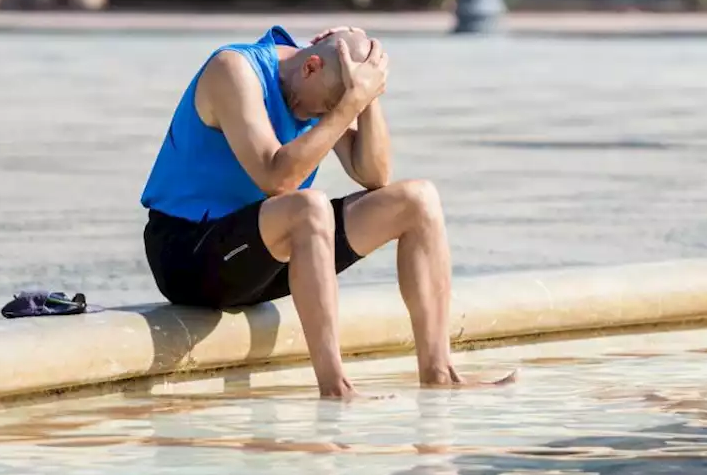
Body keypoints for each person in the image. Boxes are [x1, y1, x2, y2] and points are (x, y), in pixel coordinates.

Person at [139, 25, 504, 399]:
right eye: (329, 106)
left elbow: (375, 175)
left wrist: (365, 97)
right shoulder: (233, 70)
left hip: (261, 251)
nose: (324, 116)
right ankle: (335, 387)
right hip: (189, 256)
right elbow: (276, 180)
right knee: (309, 206)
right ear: (310, 66)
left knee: (419, 200)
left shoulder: (322, 86)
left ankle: (438, 372)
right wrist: (345, 105)